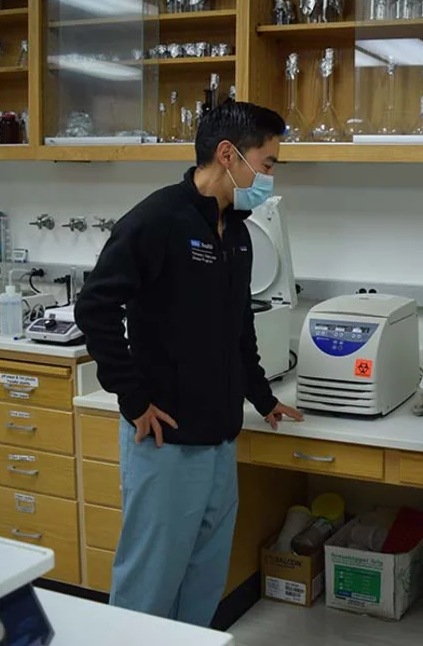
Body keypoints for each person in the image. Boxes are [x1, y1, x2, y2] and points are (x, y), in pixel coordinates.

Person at [75, 101, 303, 627]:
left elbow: (238, 326)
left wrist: (261, 397)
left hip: (219, 438)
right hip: (165, 439)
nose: (269, 177)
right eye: (266, 164)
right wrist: (133, 398)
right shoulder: (158, 220)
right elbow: (95, 308)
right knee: (150, 583)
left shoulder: (238, 232)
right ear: (228, 155)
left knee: (203, 580)